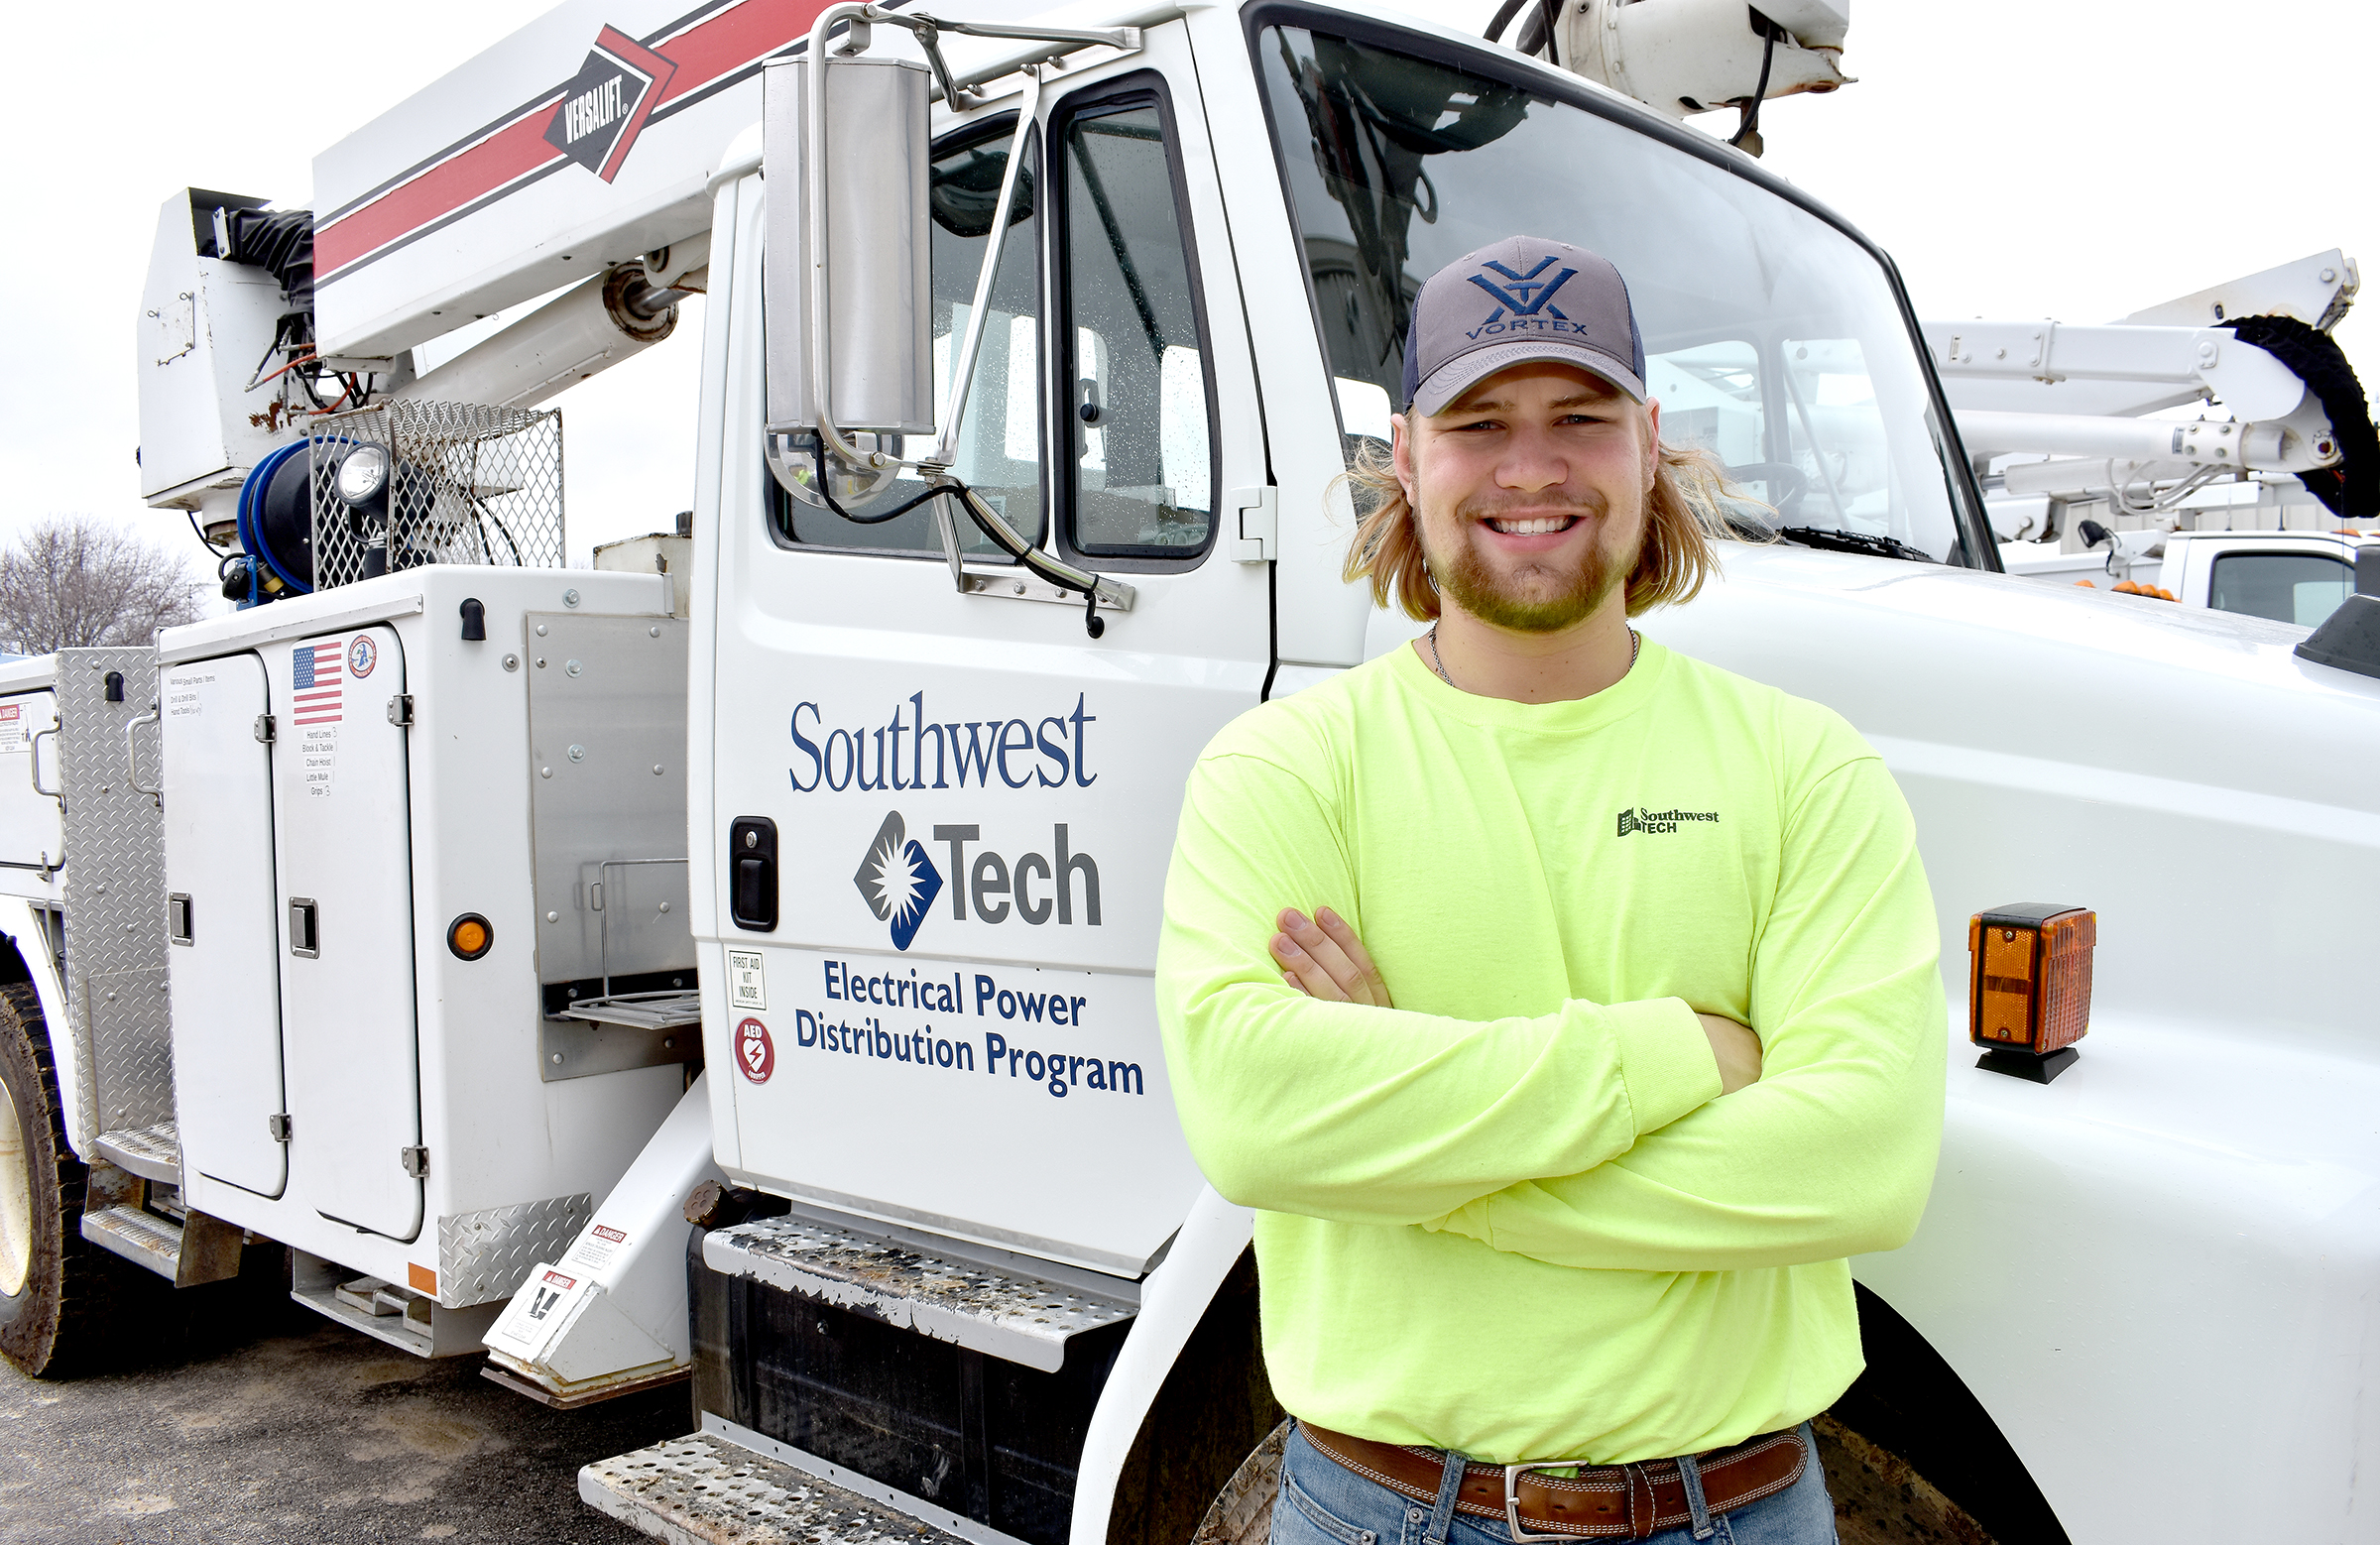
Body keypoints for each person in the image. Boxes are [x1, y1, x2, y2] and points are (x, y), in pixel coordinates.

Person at [1154, 236, 1947, 1544]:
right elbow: (1253, 1122)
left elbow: (1861, 1163)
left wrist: (1405, 1141)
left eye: (1578, 417)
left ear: (1649, 442)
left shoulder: (1804, 766)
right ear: (1406, 455)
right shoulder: (1286, 768)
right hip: (1380, 1509)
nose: (1533, 467)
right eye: (1481, 423)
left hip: (1736, 1512)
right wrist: (1673, 1051)